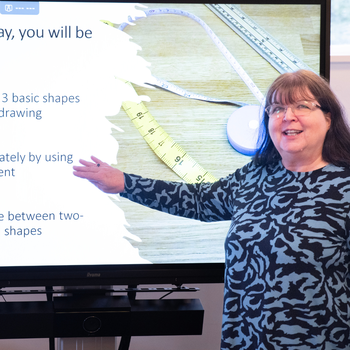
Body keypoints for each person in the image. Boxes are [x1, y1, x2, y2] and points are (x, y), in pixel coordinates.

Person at [73, 69, 350, 349]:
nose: (288, 116)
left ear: (328, 118)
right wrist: (125, 183)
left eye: (302, 105)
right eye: (277, 108)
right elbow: (200, 201)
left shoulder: (345, 187)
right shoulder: (255, 176)